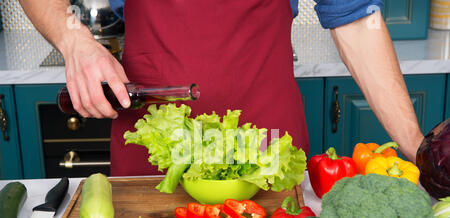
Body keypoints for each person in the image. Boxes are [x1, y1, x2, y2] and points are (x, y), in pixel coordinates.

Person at [19, 0, 425, 177]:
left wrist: (419, 151)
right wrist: (74, 39)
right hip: (156, 150)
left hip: (267, 142)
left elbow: (355, 18)